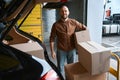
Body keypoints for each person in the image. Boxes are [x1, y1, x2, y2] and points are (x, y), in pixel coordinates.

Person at [49, 5, 87, 75]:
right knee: (60, 68)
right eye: (62, 11)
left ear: (68, 12)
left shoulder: (73, 22)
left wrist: (83, 41)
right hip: (61, 50)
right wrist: (52, 51)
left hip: (72, 50)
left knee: (72, 68)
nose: (64, 13)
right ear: (60, 13)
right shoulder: (56, 25)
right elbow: (52, 38)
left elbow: (84, 28)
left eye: (65, 11)